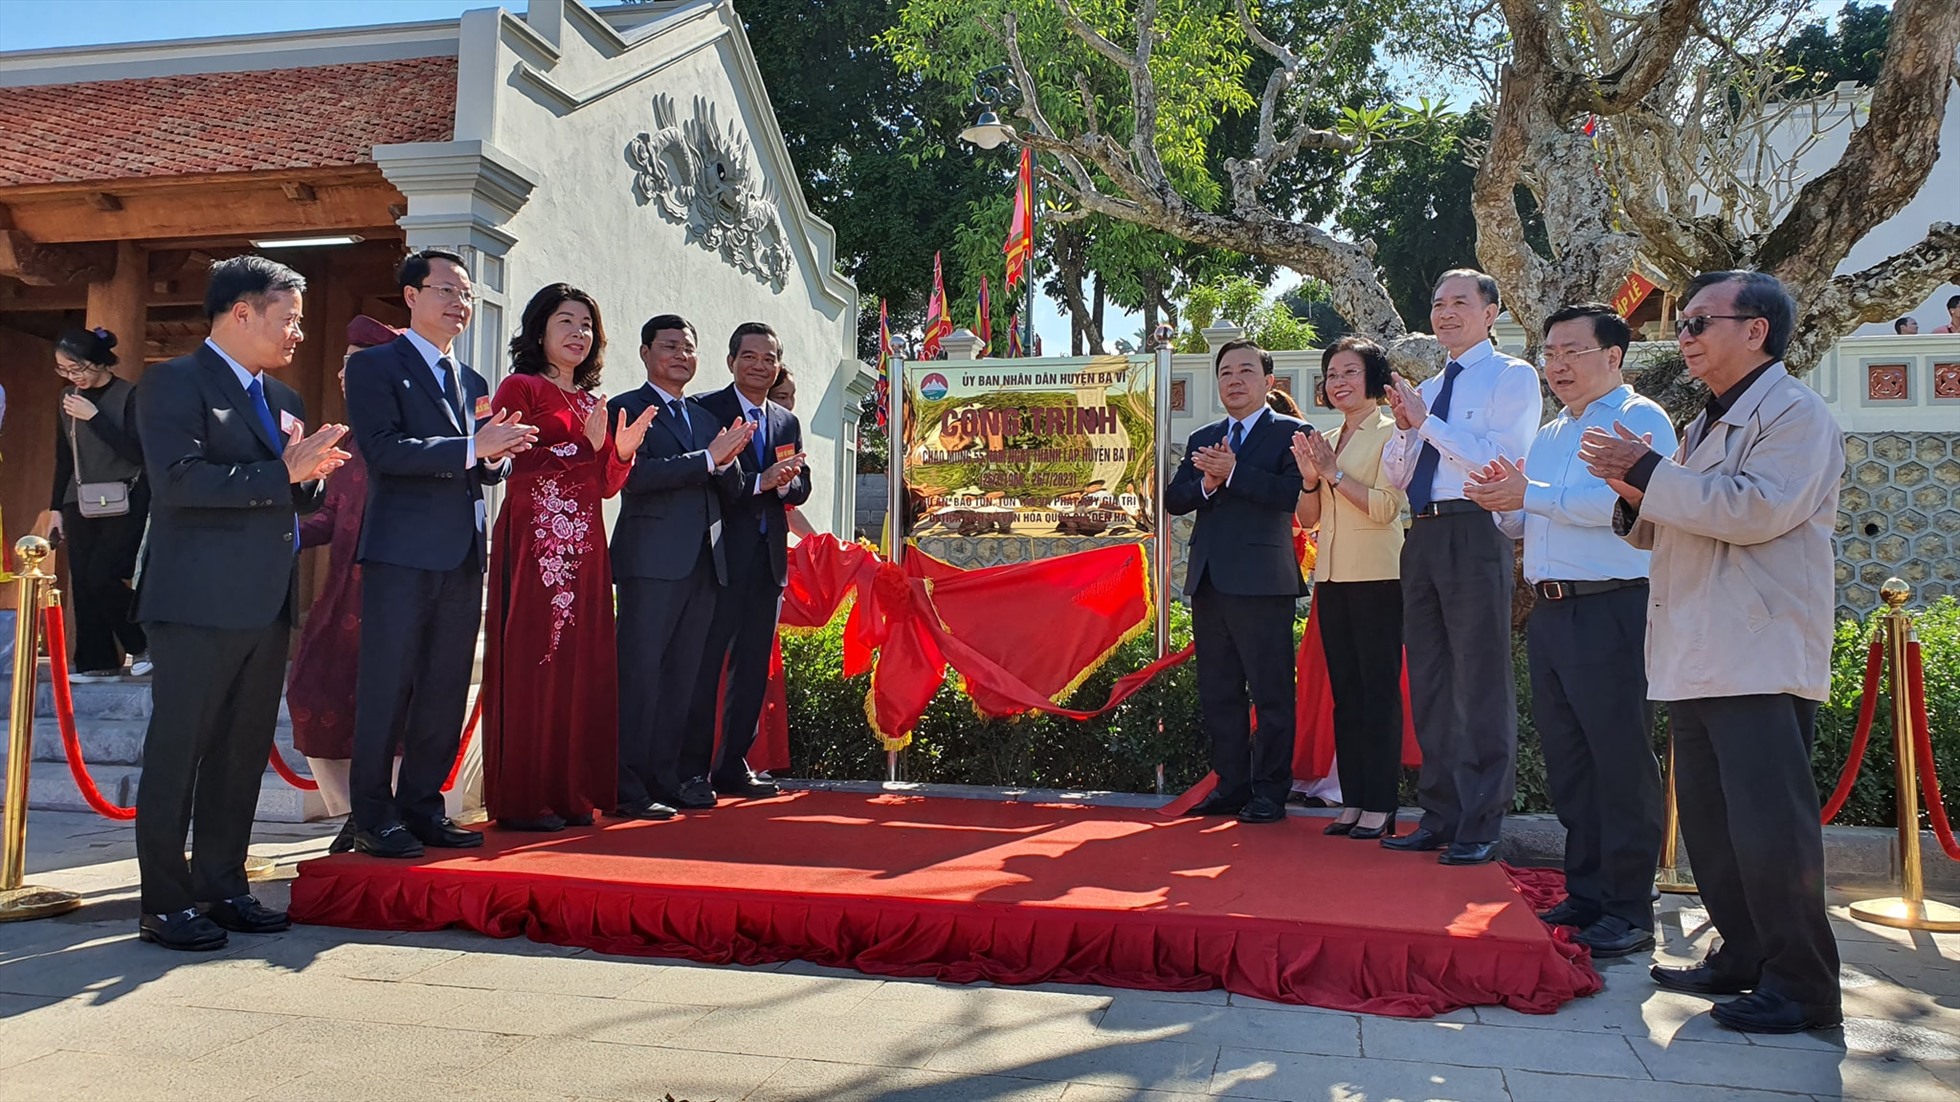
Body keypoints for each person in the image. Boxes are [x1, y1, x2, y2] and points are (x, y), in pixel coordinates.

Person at [1582, 270, 1844, 1034]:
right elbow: (1678, 516)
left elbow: (1756, 510)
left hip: (1757, 648)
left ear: (1755, 329)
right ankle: (1745, 953)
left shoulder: (1795, 414)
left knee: (1769, 827)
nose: (1684, 336)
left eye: (1699, 322)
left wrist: (1647, 475)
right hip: (1697, 644)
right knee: (1711, 821)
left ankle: (1803, 983)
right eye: (1685, 324)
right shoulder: (1705, 422)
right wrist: (1636, 493)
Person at [132, 255, 349, 950]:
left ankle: (223, 884)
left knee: (240, 752)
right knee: (180, 750)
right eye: (287, 319)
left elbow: (287, 493)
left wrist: (309, 478)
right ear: (240, 313)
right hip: (195, 602)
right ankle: (164, 902)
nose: (296, 334)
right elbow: (178, 482)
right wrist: (280, 471)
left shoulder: (284, 402)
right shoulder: (172, 383)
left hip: (265, 603)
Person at [1464, 303, 1677, 959]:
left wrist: (1528, 494)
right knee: (1572, 762)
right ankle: (1587, 893)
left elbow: (1615, 505)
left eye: (1571, 352)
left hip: (1614, 606)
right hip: (1553, 610)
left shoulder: (1640, 420)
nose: (1556, 365)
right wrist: (1503, 501)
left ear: (1613, 357)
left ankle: (1630, 907)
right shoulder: (1552, 433)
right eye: (1550, 353)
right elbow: (1534, 518)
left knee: (1619, 759)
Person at [341, 249, 537, 858]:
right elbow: (385, 451)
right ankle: (371, 815)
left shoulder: (473, 381)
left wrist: (497, 454)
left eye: (468, 294)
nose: (461, 304)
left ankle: (422, 806)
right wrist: (471, 448)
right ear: (411, 297)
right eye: (447, 291)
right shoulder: (375, 367)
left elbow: (479, 466)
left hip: (460, 551)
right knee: (388, 684)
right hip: (401, 551)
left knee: (444, 684)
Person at [1380, 269, 1541, 866]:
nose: (1445, 313)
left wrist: (1428, 423)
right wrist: (1405, 431)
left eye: (1459, 303)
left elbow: (1502, 460)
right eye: (1437, 303)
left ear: (1491, 312)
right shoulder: (1433, 383)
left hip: (1475, 530)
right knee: (1429, 679)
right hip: (1421, 532)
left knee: (1480, 679)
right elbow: (1401, 476)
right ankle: (1439, 812)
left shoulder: (1512, 375)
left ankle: (1482, 819)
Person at [483, 285, 655, 831]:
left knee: (581, 667)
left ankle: (570, 791)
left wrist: (620, 453)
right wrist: (586, 444)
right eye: (566, 321)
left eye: (587, 324)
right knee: (538, 661)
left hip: (585, 549)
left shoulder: (590, 402)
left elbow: (604, 487)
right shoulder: (522, 386)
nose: (579, 332)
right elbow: (514, 458)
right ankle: (526, 798)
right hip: (537, 541)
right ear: (539, 331)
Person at [610, 316, 753, 817]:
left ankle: (666, 779)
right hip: (650, 563)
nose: (681, 356)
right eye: (669, 347)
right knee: (640, 675)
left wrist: (736, 461)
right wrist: (707, 460)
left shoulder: (705, 416)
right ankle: (626, 787)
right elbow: (634, 477)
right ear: (646, 352)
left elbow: (728, 488)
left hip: (704, 564)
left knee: (683, 679)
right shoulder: (625, 408)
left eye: (689, 349)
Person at [1165, 338, 1307, 825]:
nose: (1234, 380)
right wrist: (1207, 483)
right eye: (1225, 372)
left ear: (1268, 382)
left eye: (1245, 371)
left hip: (1263, 583)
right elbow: (1175, 498)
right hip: (1209, 580)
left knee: (1270, 693)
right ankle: (1230, 785)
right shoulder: (1205, 436)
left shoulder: (1292, 432)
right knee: (1218, 691)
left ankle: (1270, 792)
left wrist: (1234, 473)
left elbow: (1291, 495)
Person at [685, 323, 810, 800]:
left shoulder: (784, 421)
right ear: (732, 360)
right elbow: (710, 477)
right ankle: (691, 772)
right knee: (704, 666)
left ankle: (733, 765)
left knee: (752, 668)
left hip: (767, 561)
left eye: (769, 358)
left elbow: (800, 483)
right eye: (750, 356)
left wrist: (784, 483)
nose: (760, 365)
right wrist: (763, 481)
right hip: (717, 560)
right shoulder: (705, 410)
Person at [1290, 336, 1406, 841]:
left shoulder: (1392, 431)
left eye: (1349, 372)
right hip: (1332, 578)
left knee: (1378, 694)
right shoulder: (1327, 436)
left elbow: (1384, 507)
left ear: (1374, 379)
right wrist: (1311, 479)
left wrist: (1334, 473)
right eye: (1332, 374)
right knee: (1347, 696)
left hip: (1379, 577)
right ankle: (1354, 801)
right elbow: (1309, 519)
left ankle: (1381, 803)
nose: (1339, 382)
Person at [286, 315, 397, 816]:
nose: (343, 376)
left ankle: (389, 810)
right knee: (314, 689)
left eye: (356, 366)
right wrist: (275, 533)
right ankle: (346, 814)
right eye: (343, 366)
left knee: (393, 706)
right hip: (341, 595)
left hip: (395, 590)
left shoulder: (404, 437)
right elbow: (330, 516)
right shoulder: (346, 443)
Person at [36, 327, 150, 682]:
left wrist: (94, 417)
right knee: (83, 581)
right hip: (78, 497)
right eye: (64, 370)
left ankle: (143, 642)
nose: (72, 377)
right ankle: (96, 662)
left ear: (100, 362)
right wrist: (55, 507)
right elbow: (64, 456)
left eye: (78, 369)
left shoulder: (130, 396)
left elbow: (138, 452)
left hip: (126, 496)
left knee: (103, 575)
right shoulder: (66, 397)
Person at [767, 368, 816, 541]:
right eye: (781, 397)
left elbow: (789, 506)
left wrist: (819, 544)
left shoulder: (789, 430)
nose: (789, 404)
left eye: (792, 396)